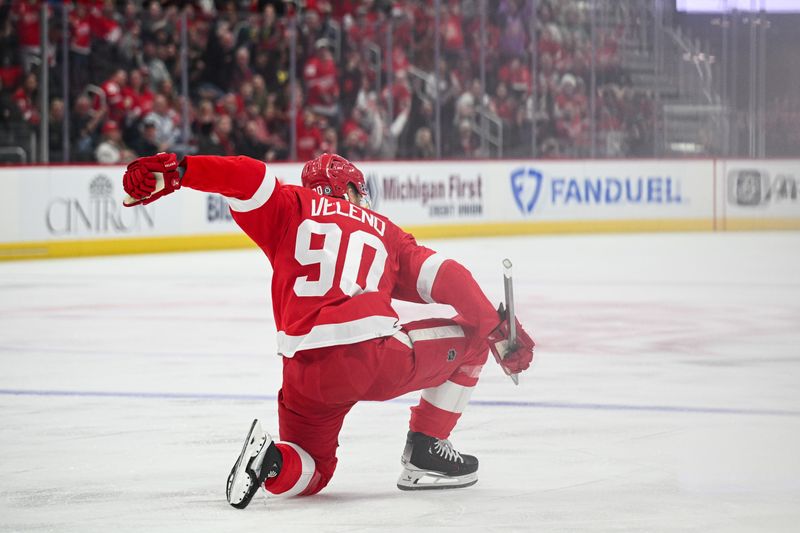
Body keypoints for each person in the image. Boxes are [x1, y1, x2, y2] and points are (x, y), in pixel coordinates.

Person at [120, 152, 534, 508]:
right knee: (475, 339)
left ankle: (271, 463)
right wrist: (497, 328)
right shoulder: (383, 229)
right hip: (372, 355)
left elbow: (248, 176)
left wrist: (181, 169)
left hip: (303, 368)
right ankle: (427, 450)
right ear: (352, 190)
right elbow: (443, 275)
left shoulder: (289, 205)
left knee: (312, 469)